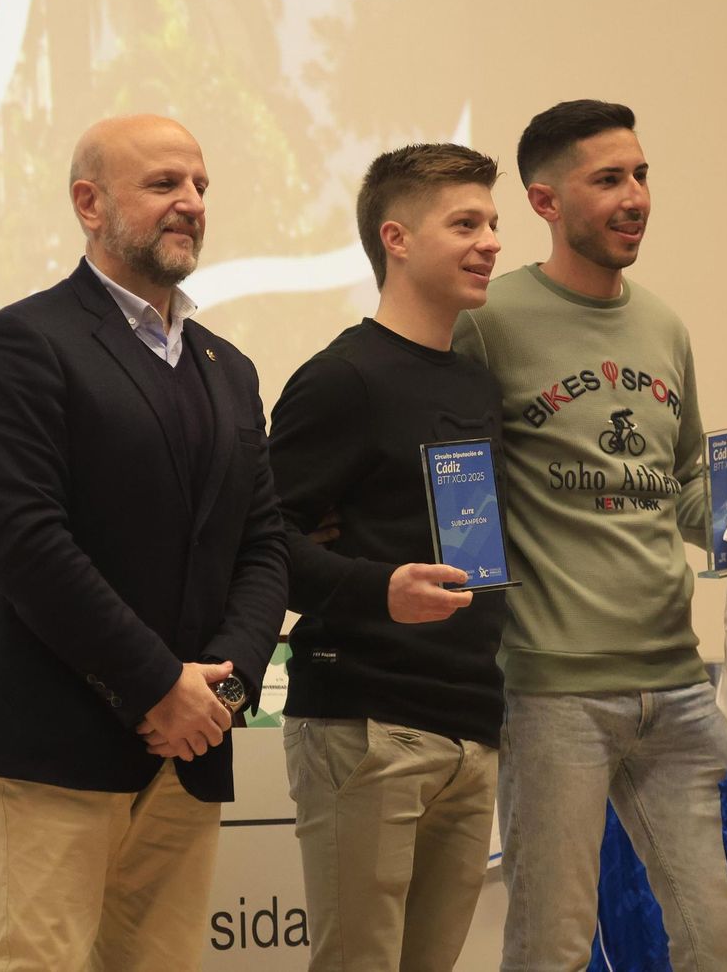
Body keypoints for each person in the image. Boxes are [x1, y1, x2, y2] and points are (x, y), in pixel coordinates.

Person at [0, 114, 287, 972]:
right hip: (58, 738)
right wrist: (155, 684)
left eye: (201, 185)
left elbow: (263, 547)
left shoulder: (230, 369)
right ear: (89, 204)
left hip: (194, 745)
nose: (191, 203)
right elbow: (29, 546)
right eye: (165, 183)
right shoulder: (23, 344)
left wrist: (227, 686)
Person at [453, 99, 727, 971]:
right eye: (608, 179)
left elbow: (680, 486)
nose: (635, 195)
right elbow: (459, 495)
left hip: (678, 687)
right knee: (552, 944)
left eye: (641, 175)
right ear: (544, 201)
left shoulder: (664, 325)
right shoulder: (488, 323)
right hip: (552, 692)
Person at [268, 143, 507, 971]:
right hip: (366, 724)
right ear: (396, 238)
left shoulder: (477, 385)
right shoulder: (342, 380)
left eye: (492, 223)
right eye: (465, 223)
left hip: (471, 728)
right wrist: (378, 590)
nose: (490, 243)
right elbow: (262, 548)